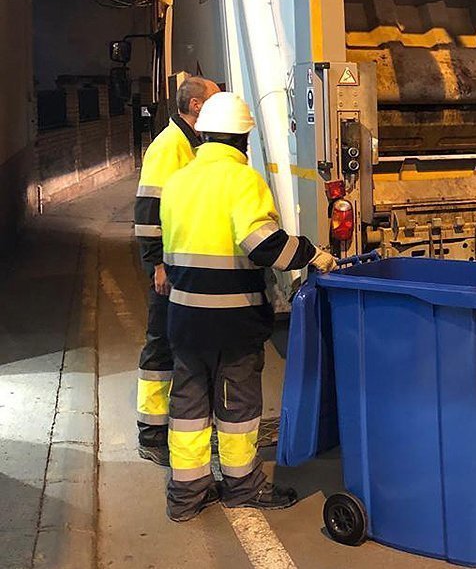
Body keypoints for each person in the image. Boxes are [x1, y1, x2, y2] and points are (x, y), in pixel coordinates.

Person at [159, 92, 337, 522]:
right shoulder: (243, 181)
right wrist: (313, 253)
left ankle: (187, 495)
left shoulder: (178, 181)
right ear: (242, 140)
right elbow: (264, 246)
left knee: (188, 405)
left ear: (203, 135)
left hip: (183, 318)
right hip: (230, 320)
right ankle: (243, 486)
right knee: (236, 408)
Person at [134, 76, 220, 466]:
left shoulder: (189, 143)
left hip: (179, 263)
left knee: (178, 342)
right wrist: (156, 262)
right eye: (215, 100)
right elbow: (149, 209)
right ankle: (152, 433)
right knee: (161, 343)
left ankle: (175, 425)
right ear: (197, 106)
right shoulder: (170, 146)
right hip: (167, 266)